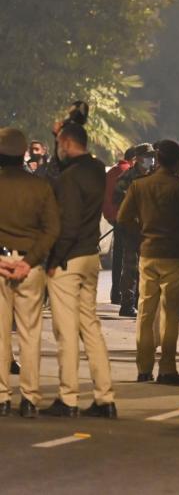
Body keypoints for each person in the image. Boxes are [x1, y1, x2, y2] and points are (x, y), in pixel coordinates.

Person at [42, 122, 117, 418]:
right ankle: (104, 396)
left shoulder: (69, 178)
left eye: (59, 143)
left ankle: (68, 397)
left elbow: (67, 224)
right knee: (91, 328)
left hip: (69, 258)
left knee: (66, 331)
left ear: (67, 143)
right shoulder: (97, 169)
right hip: (90, 256)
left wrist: (54, 260)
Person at [118, 139, 179, 386]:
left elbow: (124, 218)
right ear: (177, 162)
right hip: (175, 256)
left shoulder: (139, 185)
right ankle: (167, 367)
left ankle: (143, 368)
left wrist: (141, 236)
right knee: (170, 313)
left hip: (148, 253)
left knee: (145, 313)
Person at [0, 128, 60, 418]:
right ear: (23, 153)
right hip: (30, 266)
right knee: (30, 333)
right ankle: (29, 397)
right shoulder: (40, 187)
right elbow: (52, 230)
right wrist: (29, 260)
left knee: (0, 336)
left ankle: (1, 396)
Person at [114, 143, 156, 317]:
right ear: (137, 159)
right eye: (147, 156)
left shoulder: (155, 175)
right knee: (130, 266)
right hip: (131, 228)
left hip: (150, 227)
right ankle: (127, 303)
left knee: (148, 268)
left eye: (152, 156)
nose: (151, 160)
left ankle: (144, 301)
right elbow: (118, 199)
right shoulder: (128, 177)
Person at [103, 145, 135, 305]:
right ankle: (126, 294)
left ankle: (115, 292)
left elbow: (105, 198)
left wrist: (109, 216)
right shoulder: (129, 173)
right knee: (129, 259)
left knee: (117, 257)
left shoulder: (111, 172)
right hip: (127, 220)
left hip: (114, 219)